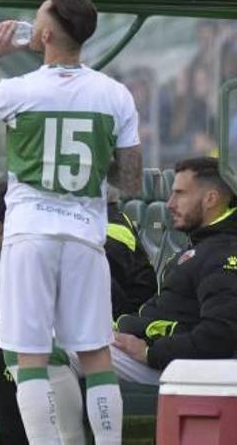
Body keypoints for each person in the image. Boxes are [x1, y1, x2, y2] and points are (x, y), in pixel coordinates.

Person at [0, 0, 142, 444]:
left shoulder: (20, 89)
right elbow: (129, 181)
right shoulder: (115, 95)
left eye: (37, 18)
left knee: (29, 355)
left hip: (30, 233)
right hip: (86, 235)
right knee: (95, 356)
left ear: (47, 33)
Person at [0, 181, 157, 444]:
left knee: (7, 355)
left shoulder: (75, 241)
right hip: (82, 333)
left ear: (3, 222)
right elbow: (27, 318)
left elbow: (43, 320)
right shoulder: (38, 246)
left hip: (109, 335)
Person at [72, 157, 237, 385]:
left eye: (180, 193)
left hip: (171, 365)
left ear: (210, 199)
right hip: (148, 349)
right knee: (40, 342)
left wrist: (150, 352)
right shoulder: (201, 246)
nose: (169, 204)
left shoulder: (223, 254)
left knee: (53, 351)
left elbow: (219, 336)